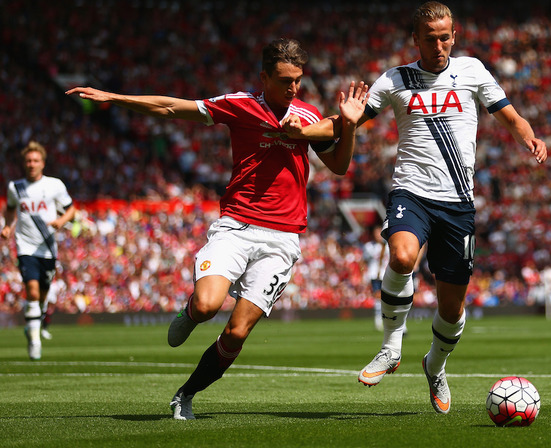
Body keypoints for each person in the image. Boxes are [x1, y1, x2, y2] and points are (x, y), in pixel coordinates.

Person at [66, 38, 369, 420]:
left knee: (237, 333)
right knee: (208, 305)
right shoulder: (241, 105)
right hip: (237, 227)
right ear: (264, 77)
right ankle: (190, 313)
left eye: (298, 79)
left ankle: (186, 394)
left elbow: (339, 166)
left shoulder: (308, 117)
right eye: (284, 80)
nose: (293, 87)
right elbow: (172, 107)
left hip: (283, 239)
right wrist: (115, 97)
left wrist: (350, 126)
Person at [287, 2, 547, 414]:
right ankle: (391, 347)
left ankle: (435, 365)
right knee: (403, 254)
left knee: (452, 306)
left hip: (458, 203)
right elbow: (341, 124)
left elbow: (510, 116)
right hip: (411, 192)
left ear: (454, 35)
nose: (439, 44)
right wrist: (301, 131)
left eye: (445, 36)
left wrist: (531, 137)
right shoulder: (395, 80)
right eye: (430, 38)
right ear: (416, 40)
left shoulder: (473, 71)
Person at [2, 141, 77, 360]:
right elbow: (9, 210)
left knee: (42, 295)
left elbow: (71, 210)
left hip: (47, 248)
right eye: (28, 161)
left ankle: (34, 323)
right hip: (26, 246)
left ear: (43, 163)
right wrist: (7, 226)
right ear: (24, 164)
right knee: (32, 292)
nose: (32, 164)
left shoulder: (55, 185)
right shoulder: (15, 187)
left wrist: (60, 221)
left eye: (35, 160)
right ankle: (34, 341)